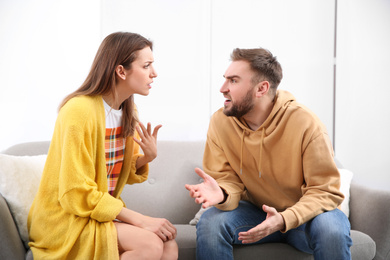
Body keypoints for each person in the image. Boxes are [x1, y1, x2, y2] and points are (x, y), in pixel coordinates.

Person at [185, 48, 352, 259]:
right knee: (210, 222)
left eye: (233, 81)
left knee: (332, 230)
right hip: (256, 213)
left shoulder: (305, 122)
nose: (222, 88)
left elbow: (324, 191)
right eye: (225, 79)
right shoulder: (221, 122)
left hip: (307, 216)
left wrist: (284, 219)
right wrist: (223, 193)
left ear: (261, 88)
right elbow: (228, 179)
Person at [28, 32, 178, 260]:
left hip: (96, 214)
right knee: (150, 245)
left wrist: (146, 157)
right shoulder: (78, 111)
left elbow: (111, 173)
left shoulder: (128, 112)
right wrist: (142, 220)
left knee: (169, 245)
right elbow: (75, 190)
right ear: (121, 71)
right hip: (68, 219)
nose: (154, 73)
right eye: (147, 65)